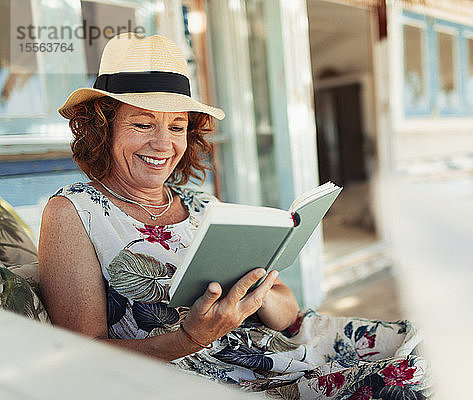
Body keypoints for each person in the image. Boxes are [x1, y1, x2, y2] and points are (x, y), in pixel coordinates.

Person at [39, 33, 431, 399]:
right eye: (143, 124)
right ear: (102, 129)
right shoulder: (75, 211)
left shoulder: (201, 206)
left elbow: (287, 313)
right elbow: (83, 356)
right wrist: (189, 338)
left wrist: (256, 290)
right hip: (217, 375)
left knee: (438, 344)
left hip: (281, 345)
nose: (163, 143)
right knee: (418, 377)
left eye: (177, 126)